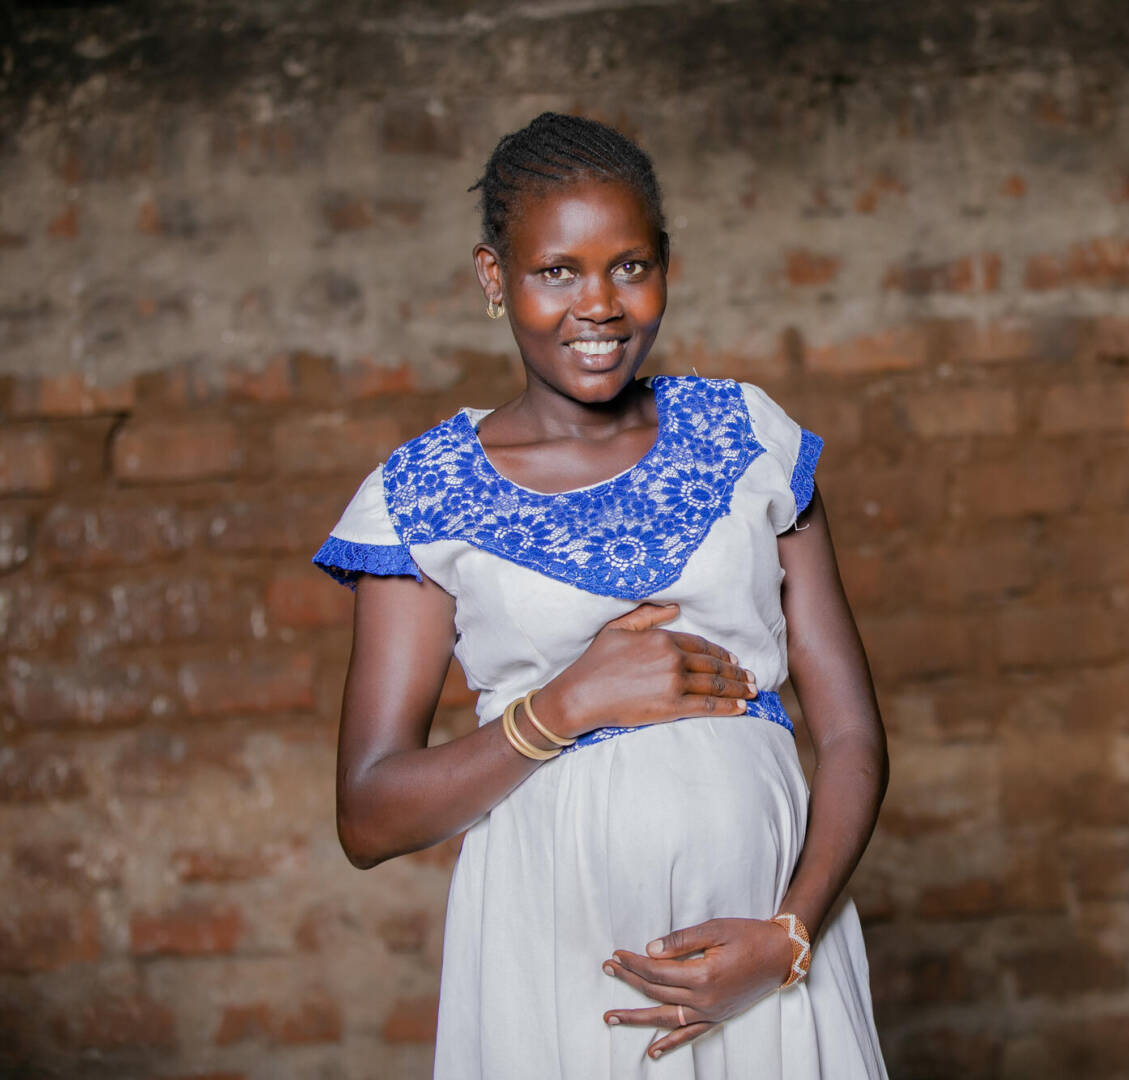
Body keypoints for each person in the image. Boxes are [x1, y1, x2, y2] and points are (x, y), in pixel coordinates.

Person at [312, 112, 889, 1079]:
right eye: (556, 272)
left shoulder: (750, 436)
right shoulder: (421, 494)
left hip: (770, 954)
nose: (601, 305)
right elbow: (369, 815)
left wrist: (788, 937)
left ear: (666, 264)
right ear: (496, 279)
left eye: (630, 266)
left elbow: (852, 735)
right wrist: (568, 705)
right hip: (553, 961)